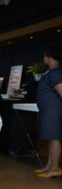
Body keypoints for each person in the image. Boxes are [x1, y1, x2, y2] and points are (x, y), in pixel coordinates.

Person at [35, 46, 62, 178]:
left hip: (53, 111)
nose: (44, 58)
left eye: (45, 55)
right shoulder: (50, 72)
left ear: (49, 57)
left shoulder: (56, 73)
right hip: (48, 111)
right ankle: (49, 166)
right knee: (52, 139)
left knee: (55, 138)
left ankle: (55, 168)